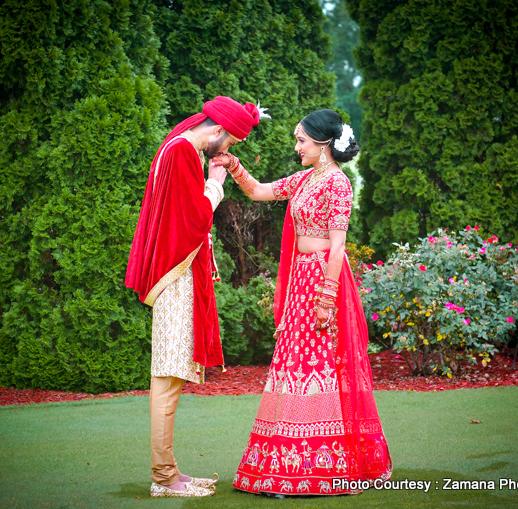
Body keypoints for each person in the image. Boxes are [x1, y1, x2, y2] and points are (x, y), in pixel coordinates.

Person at [211, 109, 393, 496]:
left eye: (302, 141)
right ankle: (285, 463)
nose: (297, 147)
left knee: (320, 365)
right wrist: (233, 164)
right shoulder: (305, 179)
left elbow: (338, 244)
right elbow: (261, 191)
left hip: (325, 282)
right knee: (293, 365)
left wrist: (327, 298)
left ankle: (323, 466)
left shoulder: (338, 185)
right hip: (300, 280)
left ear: (324, 143)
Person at [125, 96, 267, 497]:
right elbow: (194, 219)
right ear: (218, 131)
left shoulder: (176, 146)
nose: (226, 151)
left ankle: (169, 471)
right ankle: (164, 478)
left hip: (176, 274)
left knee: (170, 375)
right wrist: (217, 184)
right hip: (176, 276)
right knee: (168, 375)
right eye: (230, 143)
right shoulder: (185, 152)